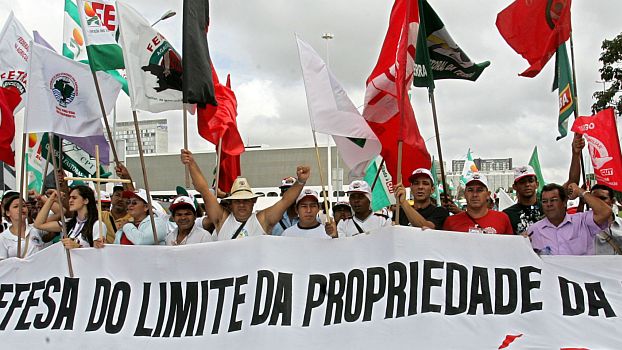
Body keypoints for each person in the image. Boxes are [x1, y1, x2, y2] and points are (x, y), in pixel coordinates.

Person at [181, 149, 310, 240]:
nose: (242, 204)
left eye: (246, 200)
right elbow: (204, 190)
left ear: (253, 201)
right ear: (231, 203)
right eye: (237, 201)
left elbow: (286, 201)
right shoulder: (222, 219)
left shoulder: (262, 220)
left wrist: (301, 181)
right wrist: (191, 163)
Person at [504, 134, 584, 234]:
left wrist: (576, 154)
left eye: (530, 181)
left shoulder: (549, 205)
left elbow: (572, 184)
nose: (527, 185)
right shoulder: (506, 215)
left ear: (536, 184)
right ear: (515, 187)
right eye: (522, 182)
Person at [527, 183, 611, 255]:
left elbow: (605, 212)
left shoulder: (583, 222)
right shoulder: (533, 231)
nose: (549, 204)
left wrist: (580, 191)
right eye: (544, 201)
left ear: (564, 202)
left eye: (553, 200)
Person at [35, 186, 105, 249]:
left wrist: (78, 247)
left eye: (74, 198)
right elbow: (38, 225)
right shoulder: (68, 223)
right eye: (70, 197)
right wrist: (51, 199)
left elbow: (99, 253)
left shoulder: (98, 225)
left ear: (86, 201)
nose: (70, 200)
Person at [443, 173, 513, 234]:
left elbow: (510, 247)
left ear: (488, 194)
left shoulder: (502, 219)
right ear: (465, 194)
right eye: (470, 190)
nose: (475, 194)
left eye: (480, 190)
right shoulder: (450, 222)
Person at [0, 193, 44, 259]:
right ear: (7, 213)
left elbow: (60, 213)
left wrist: (50, 199)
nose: (21, 208)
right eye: (16, 206)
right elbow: (3, 265)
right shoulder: (3, 237)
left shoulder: (36, 229)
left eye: (23, 206)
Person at [590, 184, 622, 254]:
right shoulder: (583, 226)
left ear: (612, 201)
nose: (597, 202)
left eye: (602, 198)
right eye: (593, 199)